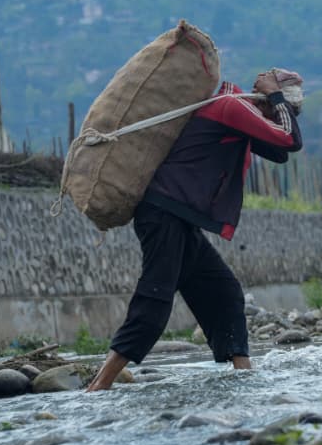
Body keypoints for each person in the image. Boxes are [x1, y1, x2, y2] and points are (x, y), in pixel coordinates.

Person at [86, 68, 304, 391]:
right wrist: (274, 94)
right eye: (282, 109)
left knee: (226, 293)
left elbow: (281, 150)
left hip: (179, 215)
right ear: (266, 102)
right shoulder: (233, 106)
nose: (283, 115)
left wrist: (276, 103)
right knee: (156, 300)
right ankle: (97, 387)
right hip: (164, 211)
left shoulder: (240, 114)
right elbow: (290, 139)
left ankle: (243, 377)